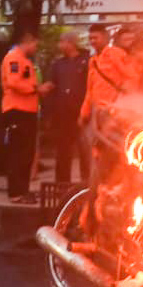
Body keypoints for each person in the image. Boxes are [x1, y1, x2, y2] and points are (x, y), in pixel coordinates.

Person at [1, 29, 53, 204]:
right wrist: (37, 89)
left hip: (26, 111)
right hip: (17, 111)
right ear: (27, 42)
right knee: (18, 153)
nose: (35, 48)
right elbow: (14, 82)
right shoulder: (14, 58)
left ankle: (23, 191)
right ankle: (16, 193)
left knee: (26, 154)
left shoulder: (23, 60)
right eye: (34, 45)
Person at [48, 31, 90, 183]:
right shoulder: (58, 64)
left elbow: (92, 86)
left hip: (83, 113)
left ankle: (86, 184)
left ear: (71, 43)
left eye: (62, 42)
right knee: (63, 151)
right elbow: (52, 84)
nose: (60, 45)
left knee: (85, 150)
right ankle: (62, 184)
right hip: (63, 115)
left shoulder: (87, 61)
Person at [80, 24, 138, 124]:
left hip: (115, 112)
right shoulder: (93, 61)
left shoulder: (116, 54)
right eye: (90, 38)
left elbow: (132, 78)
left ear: (105, 37)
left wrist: (122, 104)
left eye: (95, 38)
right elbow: (90, 90)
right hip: (98, 112)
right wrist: (84, 113)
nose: (93, 41)